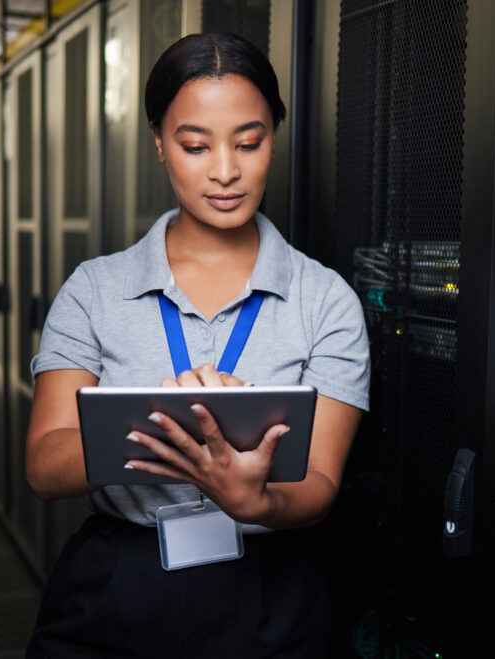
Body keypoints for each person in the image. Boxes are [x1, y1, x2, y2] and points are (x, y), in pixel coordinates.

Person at [23, 32, 370, 657]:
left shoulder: (326, 300)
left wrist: (253, 498)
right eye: (195, 145)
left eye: (248, 141)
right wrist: (162, 421)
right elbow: (45, 467)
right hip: (117, 587)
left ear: (274, 137)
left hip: (270, 590)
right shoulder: (95, 290)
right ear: (159, 143)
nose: (225, 170)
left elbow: (319, 484)